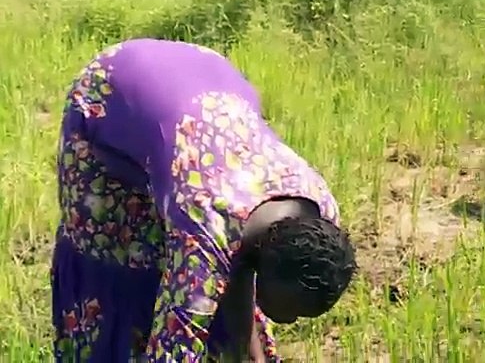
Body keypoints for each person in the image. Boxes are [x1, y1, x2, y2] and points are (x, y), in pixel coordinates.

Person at [52, 38, 357, 362]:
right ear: (272, 271)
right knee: (124, 256)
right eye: (294, 310)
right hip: (112, 93)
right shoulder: (204, 229)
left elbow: (240, 263)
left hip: (204, 82)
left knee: (194, 277)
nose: (292, 321)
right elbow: (175, 349)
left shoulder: (321, 211)